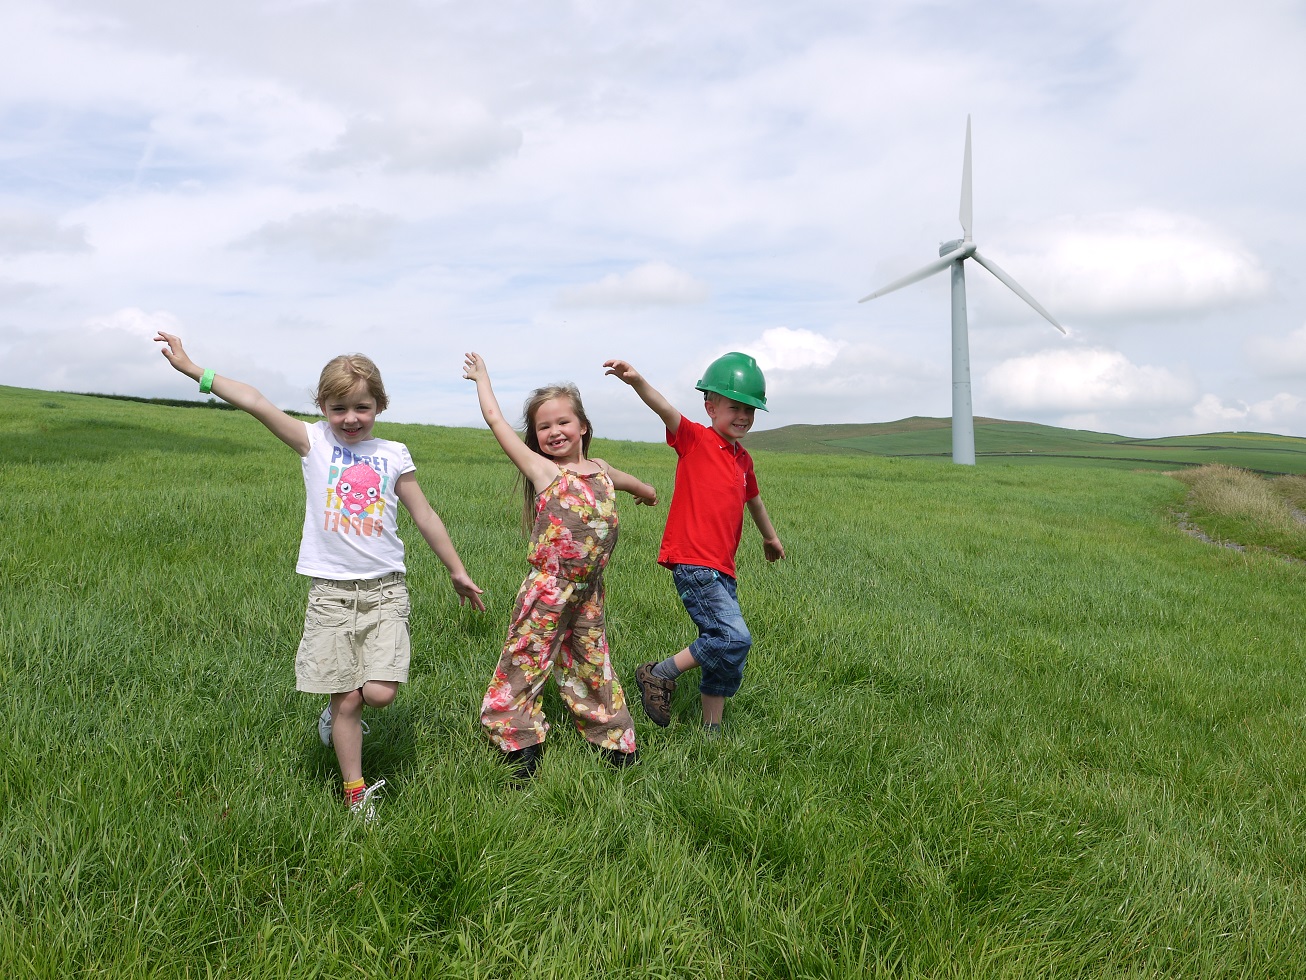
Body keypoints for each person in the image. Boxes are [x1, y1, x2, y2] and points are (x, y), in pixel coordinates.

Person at [154, 332, 485, 818]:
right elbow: (254, 401)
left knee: (380, 693)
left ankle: (334, 716)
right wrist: (193, 369)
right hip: (330, 593)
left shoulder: (394, 454)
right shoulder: (313, 442)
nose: (350, 418)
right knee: (348, 699)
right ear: (323, 407)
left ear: (379, 405)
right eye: (338, 408)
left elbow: (425, 515)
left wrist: (456, 570)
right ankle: (356, 792)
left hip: (386, 590)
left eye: (361, 407)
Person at [463, 352, 656, 781]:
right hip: (548, 589)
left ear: (583, 426)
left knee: (592, 661)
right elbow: (496, 421)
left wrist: (649, 492)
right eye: (543, 426)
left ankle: (612, 739)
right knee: (525, 660)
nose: (554, 432)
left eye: (563, 422)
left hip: (588, 591)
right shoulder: (543, 471)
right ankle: (517, 742)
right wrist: (482, 378)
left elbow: (627, 480)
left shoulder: (600, 471)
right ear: (535, 436)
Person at [603, 352, 785, 733]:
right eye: (735, 407)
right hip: (693, 561)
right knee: (733, 637)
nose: (744, 416)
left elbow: (753, 499)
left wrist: (769, 536)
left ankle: (711, 734)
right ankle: (659, 673)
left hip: (723, 568)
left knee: (725, 653)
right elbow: (664, 409)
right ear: (711, 406)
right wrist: (636, 380)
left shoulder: (743, 460)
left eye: (751, 410)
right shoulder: (695, 439)